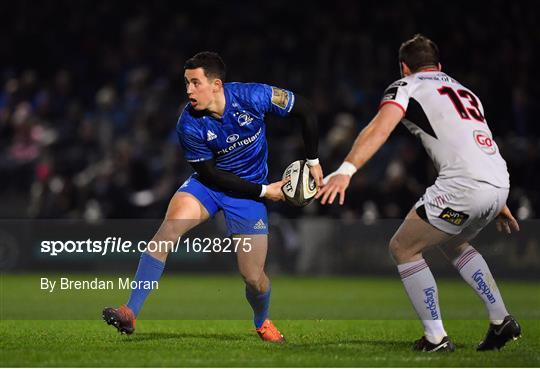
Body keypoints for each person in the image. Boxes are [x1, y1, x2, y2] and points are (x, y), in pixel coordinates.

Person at [317, 34, 521, 352]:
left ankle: (436, 337)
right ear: (438, 66)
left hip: (464, 185)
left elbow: (379, 129)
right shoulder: (466, 91)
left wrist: (346, 170)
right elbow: (478, 141)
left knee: (403, 247)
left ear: (404, 67)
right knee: (453, 241)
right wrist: (499, 200)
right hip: (498, 183)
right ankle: (501, 320)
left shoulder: (408, 86)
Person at [103, 51, 323, 342]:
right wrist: (265, 191)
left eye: (195, 83)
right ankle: (131, 311)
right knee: (167, 231)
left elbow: (305, 110)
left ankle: (261, 321)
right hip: (209, 187)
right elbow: (210, 175)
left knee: (254, 279)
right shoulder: (189, 124)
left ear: (216, 84)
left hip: (247, 197)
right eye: (186, 83)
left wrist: (312, 160)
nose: (189, 90)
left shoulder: (253, 96)